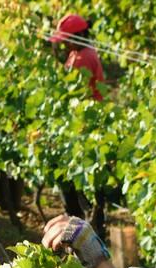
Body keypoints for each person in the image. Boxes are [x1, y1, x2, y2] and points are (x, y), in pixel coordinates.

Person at [47, 14, 108, 227]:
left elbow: (72, 91)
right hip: (83, 118)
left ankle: (80, 219)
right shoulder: (78, 53)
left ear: (78, 36)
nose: (63, 43)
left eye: (66, 39)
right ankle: (85, 215)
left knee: (71, 174)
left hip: (83, 121)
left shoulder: (83, 58)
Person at [48, 14, 105, 101]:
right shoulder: (76, 52)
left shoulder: (84, 58)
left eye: (66, 41)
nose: (64, 44)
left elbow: (73, 89)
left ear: (80, 35)